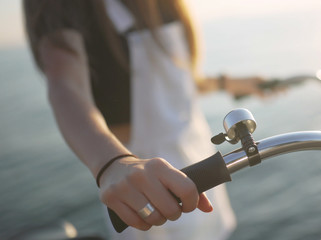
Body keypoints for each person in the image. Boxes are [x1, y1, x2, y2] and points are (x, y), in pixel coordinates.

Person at [23, 0, 265, 239]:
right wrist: (113, 164)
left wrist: (231, 83)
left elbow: (175, 81)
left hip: (200, 167)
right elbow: (67, 86)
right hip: (141, 189)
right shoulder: (66, 7)